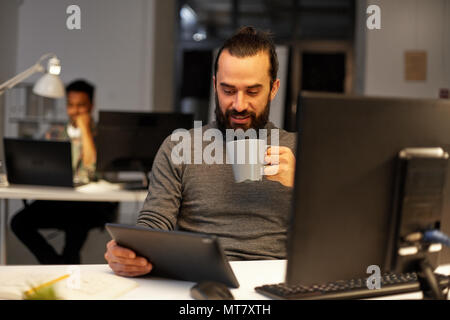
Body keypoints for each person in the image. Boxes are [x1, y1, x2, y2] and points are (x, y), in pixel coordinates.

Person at [105, 27, 296, 277]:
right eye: (228, 90)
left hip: (275, 283)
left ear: (273, 89)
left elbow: (336, 236)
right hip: (198, 279)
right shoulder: (179, 147)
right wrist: (130, 252)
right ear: (215, 85)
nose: (239, 105)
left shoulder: (300, 151)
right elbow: (154, 223)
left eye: (252, 91)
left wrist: (304, 185)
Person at [11, 80, 118, 264]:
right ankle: (55, 265)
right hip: (58, 200)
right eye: (70, 105)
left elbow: (92, 166)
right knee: (19, 222)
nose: (74, 111)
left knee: (75, 225)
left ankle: (65, 269)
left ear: (91, 106)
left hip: (90, 205)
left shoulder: (104, 134)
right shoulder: (55, 132)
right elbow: (40, 164)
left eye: (80, 105)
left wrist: (84, 128)